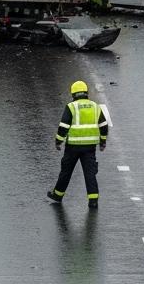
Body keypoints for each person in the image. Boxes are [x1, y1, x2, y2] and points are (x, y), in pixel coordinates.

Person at [47, 80, 109, 209]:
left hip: (73, 147)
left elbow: (63, 125)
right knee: (90, 174)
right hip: (90, 147)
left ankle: (58, 195)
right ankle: (93, 200)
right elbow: (103, 125)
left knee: (66, 172)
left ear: (73, 94)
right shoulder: (95, 106)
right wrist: (102, 141)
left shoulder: (71, 107)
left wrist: (58, 141)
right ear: (86, 93)